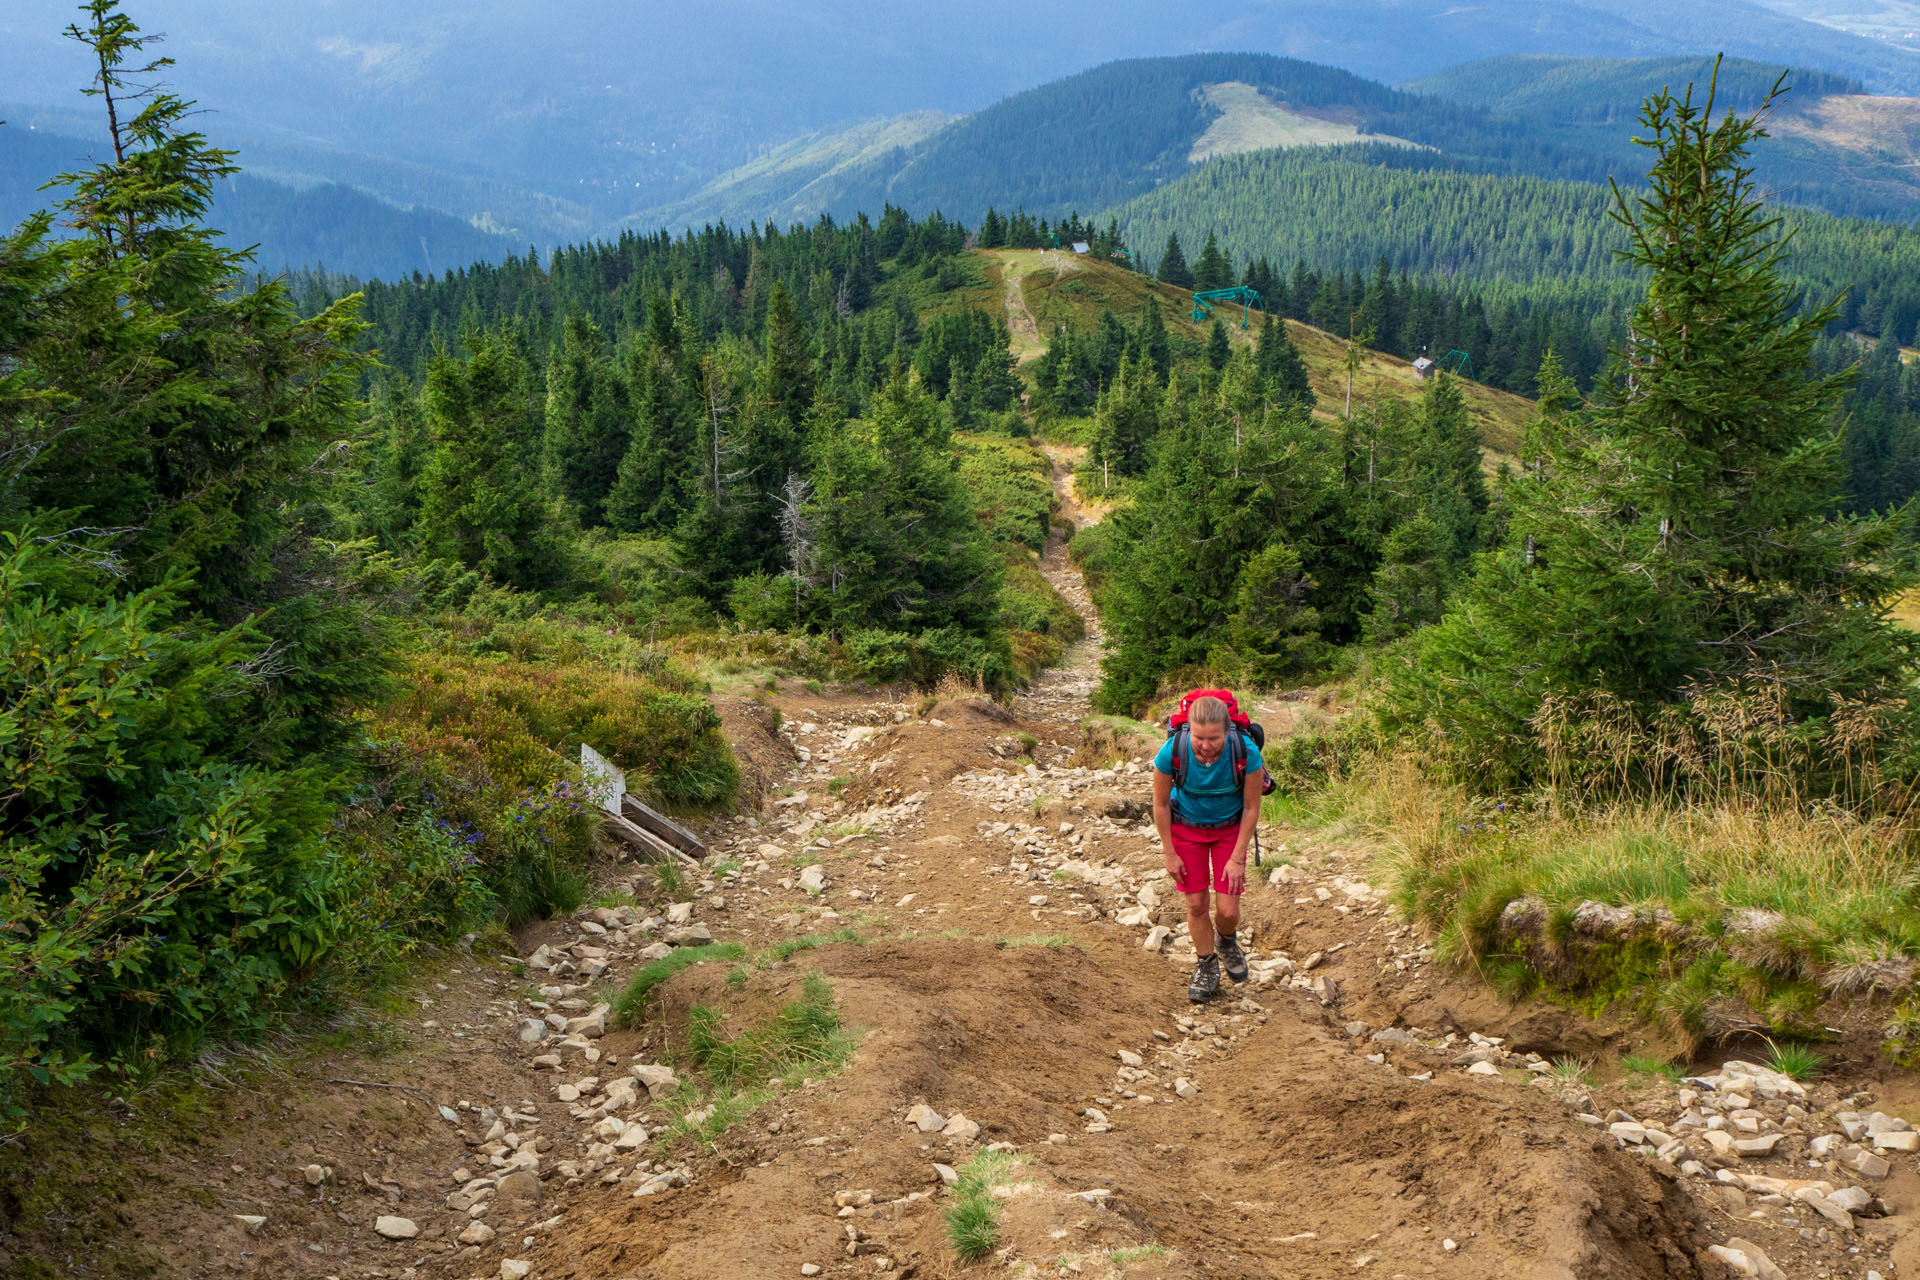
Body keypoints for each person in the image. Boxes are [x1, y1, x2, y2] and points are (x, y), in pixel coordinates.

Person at [1151, 695, 1265, 1002]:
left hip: (1229, 831)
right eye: (1199, 738)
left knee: (1227, 911)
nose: (1205, 745)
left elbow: (1252, 807)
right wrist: (1169, 852)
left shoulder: (1247, 752)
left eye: (1213, 738)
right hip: (1186, 831)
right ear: (1189, 730)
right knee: (1197, 905)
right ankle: (1206, 965)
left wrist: (1238, 858)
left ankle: (1226, 939)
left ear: (1227, 732)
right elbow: (1160, 805)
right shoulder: (1171, 751)